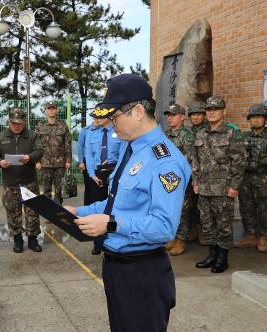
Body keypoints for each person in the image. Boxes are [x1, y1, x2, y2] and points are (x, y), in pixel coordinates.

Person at [64, 74, 191, 332]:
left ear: (138, 111)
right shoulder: (129, 149)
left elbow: (164, 227)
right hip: (117, 268)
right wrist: (79, 211)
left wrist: (111, 225)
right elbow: (115, 204)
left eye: (114, 117)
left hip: (142, 273)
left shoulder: (165, 161)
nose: (111, 125)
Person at [193, 96, 246, 273]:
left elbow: (239, 161)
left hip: (223, 189)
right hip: (204, 188)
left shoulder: (232, 132)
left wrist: (234, 186)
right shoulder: (201, 133)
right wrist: (196, 181)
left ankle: (222, 258)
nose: (211, 112)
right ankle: (212, 255)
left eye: (215, 109)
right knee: (207, 224)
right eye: (209, 110)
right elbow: (196, 160)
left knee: (223, 224)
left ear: (223, 111)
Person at [0, 108, 43, 253]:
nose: (17, 126)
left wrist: (29, 158)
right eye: (14, 123)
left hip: (29, 182)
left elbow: (39, 151)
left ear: (24, 121)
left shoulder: (32, 136)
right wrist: (0, 162)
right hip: (10, 183)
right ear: (9, 122)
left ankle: (33, 239)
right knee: (13, 212)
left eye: (20, 123)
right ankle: (17, 239)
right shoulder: (0, 137)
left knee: (32, 211)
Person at [236, 104, 267, 252]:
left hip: (264, 178)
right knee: (246, 207)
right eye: (253, 117)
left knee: (263, 208)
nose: (256, 120)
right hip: (246, 178)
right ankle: (250, 236)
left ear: (265, 119)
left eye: (259, 117)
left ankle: (262, 237)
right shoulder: (244, 137)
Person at [85, 105, 122, 255]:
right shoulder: (91, 133)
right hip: (97, 175)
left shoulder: (119, 132)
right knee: (97, 208)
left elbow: (123, 153)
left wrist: (115, 173)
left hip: (114, 173)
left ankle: (112, 241)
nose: (97, 119)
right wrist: (92, 174)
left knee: (113, 209)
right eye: (95, 116)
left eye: (100, 116)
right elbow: (88, 156)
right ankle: (98, 242)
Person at [163, 104, 195, 255]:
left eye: (173, 115)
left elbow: (190, 159)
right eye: (168, 115)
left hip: (182, 179)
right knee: (170, 209)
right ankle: (173, 236)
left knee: (183, 210)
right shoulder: (166, 134)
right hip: (167, 179)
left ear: (182, 117)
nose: (170, 117)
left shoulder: (187, 135)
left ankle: (181, 240)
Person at [35, 101, 71, 204]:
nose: (51, 110)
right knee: (46, 190)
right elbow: (36, 145)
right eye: (49, 108)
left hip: (60, 163)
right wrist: (37, 161)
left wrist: (68, 160)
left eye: (53, 108)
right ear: (45, 111)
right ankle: (48, 212)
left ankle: (58, 213)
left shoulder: (63, 125)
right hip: (45, 163)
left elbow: (68, 144)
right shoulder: (40, 126)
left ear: (57, 110)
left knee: (59, 190)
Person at [187, 102, 207, 244]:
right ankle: (193, 230)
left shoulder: (208, 130)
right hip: (188, 174)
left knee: (203, 205)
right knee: (190, 204)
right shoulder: (186, 132)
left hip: (204, 174)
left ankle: (203, 232)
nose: (196, 117)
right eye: (193, 114)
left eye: (199, 114)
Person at [78, 118, 99, 205]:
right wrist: (81, 161)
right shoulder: (85, 130)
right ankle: (87, 206)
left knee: (99, 186)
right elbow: (80, 146)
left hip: (100, 162)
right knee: (89, 186)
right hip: (87, 161)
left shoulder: (104, 129)